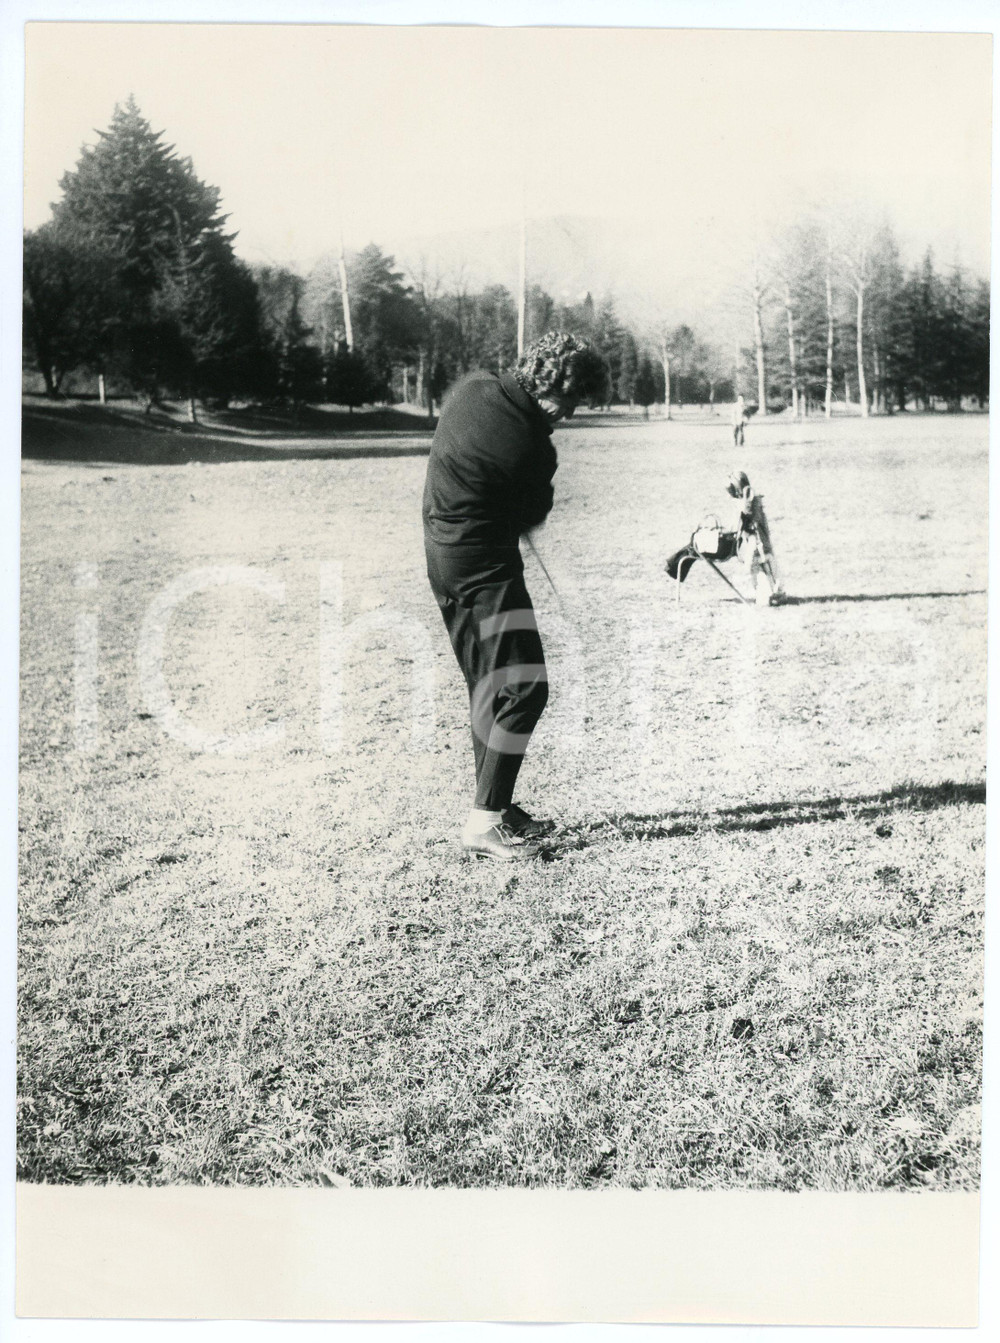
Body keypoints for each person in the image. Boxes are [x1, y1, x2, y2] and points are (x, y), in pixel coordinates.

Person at [422, 331, 605, 861]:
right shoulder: (532, 446)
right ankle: (485, 823)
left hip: (443, 561)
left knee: (489, 684)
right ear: (547, 383)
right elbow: (533, 511)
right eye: (568, 399)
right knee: (526, 688)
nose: (569, 413)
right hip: (487, 571)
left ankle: (495, 806)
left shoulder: (471, 387)